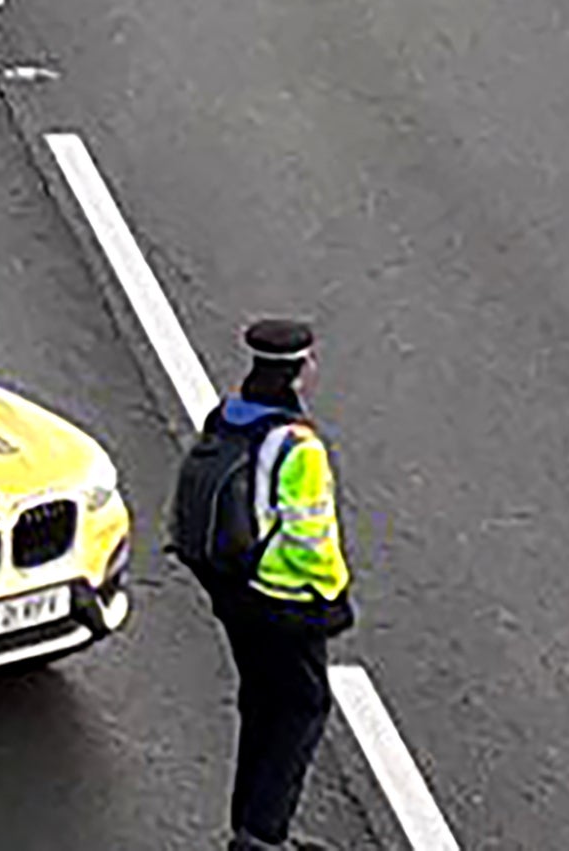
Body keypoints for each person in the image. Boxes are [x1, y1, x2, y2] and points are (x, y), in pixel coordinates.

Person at [169, 315, 354, 851]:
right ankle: (263, 837)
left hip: (232, 589)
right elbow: (310, 537)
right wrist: (333, 594)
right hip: (285, 599)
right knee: (301, 709)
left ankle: (248, 824)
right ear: (299, 371)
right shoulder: (298, 446)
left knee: (261, 702)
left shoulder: (227, 416)